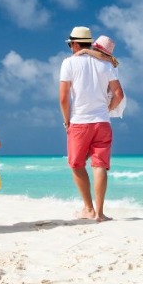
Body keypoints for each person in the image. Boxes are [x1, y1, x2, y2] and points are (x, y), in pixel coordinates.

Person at [59, 27, 124, 222]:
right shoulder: (106, 64)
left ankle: (88, 209)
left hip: (80, 122)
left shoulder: (69, 63)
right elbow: (119, 94)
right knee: (100, 166)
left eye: (71, 44)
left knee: (76, 164)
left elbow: (63, 98)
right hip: (102, 122)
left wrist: (66, 120)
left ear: (75, 44)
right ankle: (100, 213)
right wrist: (108, 109)